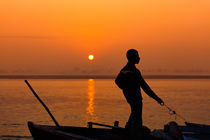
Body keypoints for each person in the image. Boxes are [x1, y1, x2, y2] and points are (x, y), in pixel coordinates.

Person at [115, 49, 164, 134]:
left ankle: (127, 130)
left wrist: (126, 90)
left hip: (131, 98)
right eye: (137, 56)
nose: (139, 58)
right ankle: (134, 134)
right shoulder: (134, 71)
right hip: (135, 98)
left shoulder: (125, 69)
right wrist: (157, 98)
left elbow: (117, 81)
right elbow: (145, 87)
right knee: (137, 119)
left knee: (134, 114)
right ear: (133, 57)